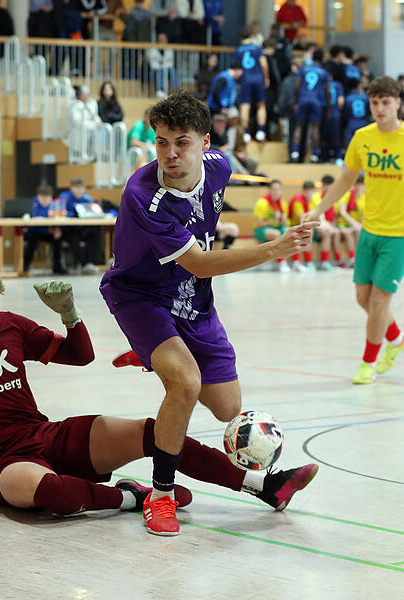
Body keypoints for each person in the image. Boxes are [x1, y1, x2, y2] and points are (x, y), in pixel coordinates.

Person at [0, 254, 319, 524]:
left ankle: (265, 486)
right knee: (53, 495)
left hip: (45, 434)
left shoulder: (8, 326)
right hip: (1, 462)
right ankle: (133, 497)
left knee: (152, 431)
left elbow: (79, 356)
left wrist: (70, 314)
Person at [98, 91, 318, 535]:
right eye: (161, 143)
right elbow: (197, 260)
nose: (171, 154)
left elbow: (196, 272)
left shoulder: (220, 166)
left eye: (182, 142)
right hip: (140, 296)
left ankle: (151, 355)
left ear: (205, 141)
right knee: (185, 382)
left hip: (193, 298)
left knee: (226, 408)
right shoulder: (145, 197)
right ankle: (161, 495)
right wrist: (275, 248)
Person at [301, 76, 404, 385]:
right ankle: (398, 340)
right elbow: (345, 179)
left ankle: (368, 362)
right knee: (363, 298)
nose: (380, 108)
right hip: (371, 228)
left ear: (398, 104)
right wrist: (318, 209)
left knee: (380, 300)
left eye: (385, 102)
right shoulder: (362, 137)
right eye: (374, 102)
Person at [292, 49, 330, 163]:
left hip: (303, 99)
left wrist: (296, 101)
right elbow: (327, 92)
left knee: (299, 126)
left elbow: (297, 86)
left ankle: (294, 152)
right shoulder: (323, 72)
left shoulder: (303, 69)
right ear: (322, 59)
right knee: (315, 128)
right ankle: (314, 154)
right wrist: (328, 108)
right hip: (316, 101)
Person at [59, 177, 102, 274]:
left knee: (95, 235)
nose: (79, 190)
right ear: (71, 188)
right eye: (76, 187)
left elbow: (93, 212)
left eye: (81, 187)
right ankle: (84, 264)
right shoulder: (64, 197)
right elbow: (61, 212)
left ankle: (90, 263)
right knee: (74, 239)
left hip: (82, 228)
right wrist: (75, 213)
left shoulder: (87, 198)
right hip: (69, 229)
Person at [234, 24, 269, 143]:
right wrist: (266, 78)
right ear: (252, 35)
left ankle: (246, 133)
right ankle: (260, 131)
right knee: (261, 105)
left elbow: (236, 67)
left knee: (245, 105)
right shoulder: (257, 48)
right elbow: (263, 64)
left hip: (245, 79)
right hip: (258, 78)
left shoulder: (238, 50)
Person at [23, 184, 66, 275]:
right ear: (37, 196)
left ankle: (57, 267)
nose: (45, 199)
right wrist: (50, 230)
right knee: (32, 237)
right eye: (42, 197)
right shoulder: (32, 204)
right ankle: (25, 266)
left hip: (48, 232)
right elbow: (33, 223)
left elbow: (59, 219)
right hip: (35, 231)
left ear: (51, 197)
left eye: (47, 197)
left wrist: (57, 229)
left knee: (58, 238)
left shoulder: (55, 205)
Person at [253, 180, 291, 272]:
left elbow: (283, 223)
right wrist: (273, 220)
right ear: (269, 190)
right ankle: (281, 263)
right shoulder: (262, 202)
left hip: (276, 227)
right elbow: (259, 224)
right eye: (274, 189)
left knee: (290, 231)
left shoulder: (283, 203)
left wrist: (283, 220)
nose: (276, 192)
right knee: (276, 234)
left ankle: (297, 262)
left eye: (278, 189)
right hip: (261, 229)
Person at [343, 75, 370, 148]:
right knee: (364, 147)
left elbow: (345, 113)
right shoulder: (365, 97)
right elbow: (368, 110)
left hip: (351, 123)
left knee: (351, 147)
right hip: (363, 123)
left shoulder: (347, 98)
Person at [147, 32, 176, 98]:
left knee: (172, 71)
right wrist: (162, 67)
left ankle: (175, 90)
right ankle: (161, 91)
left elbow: (170, 63)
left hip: (167, 69)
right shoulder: (153, 48)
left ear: (166, 40)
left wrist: (163, 66)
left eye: (163, 39)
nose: (161, 41)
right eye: (160, 39)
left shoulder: (170, 48)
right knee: (160, 71)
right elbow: (152, 63)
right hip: (154, 70)